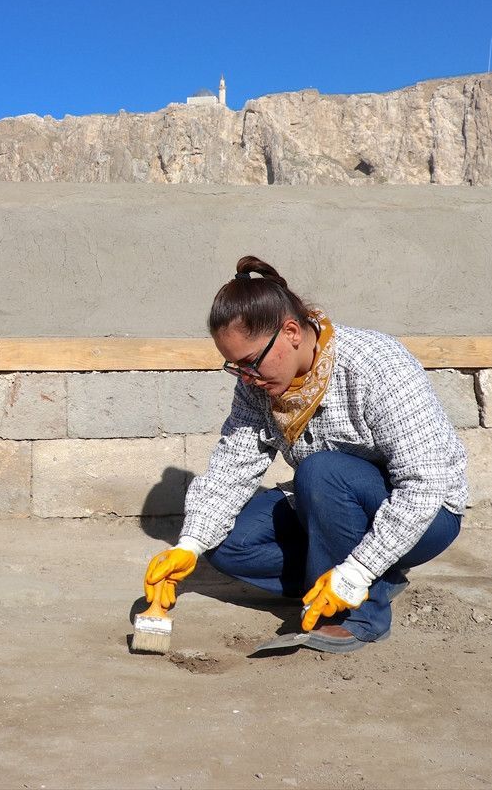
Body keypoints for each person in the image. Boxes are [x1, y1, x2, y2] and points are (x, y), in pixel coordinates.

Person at [143, 256, 467, 653]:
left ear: (292, 332)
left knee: (321, 471)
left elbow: (425, 484)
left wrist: (357, 571)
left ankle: (358, 612)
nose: (247, 378)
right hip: (329, 506)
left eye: (251, 363)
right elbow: (232, 466)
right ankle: (366, 577)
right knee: (228, 544)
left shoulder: (377, 366)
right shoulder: (257, 386)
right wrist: (188, 546)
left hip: (428, 514)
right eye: (235, 367)